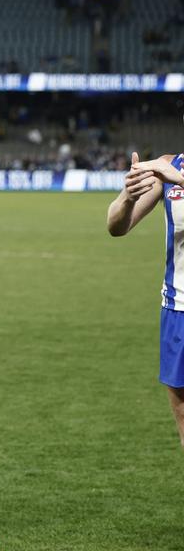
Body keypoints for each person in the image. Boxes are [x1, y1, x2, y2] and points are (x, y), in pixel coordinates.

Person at [107, 152, 184, 458]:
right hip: (178, 307)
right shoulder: (170, 164)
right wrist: (128, 195)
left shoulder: (174, 174)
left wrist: (180, 180)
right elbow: (115, 225)